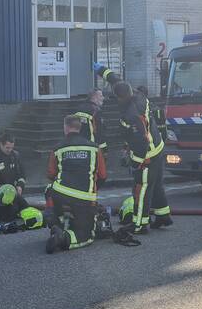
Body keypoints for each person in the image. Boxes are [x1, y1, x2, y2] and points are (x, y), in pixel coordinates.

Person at [96, 64, 173, 234]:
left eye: (116, 98)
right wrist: (102, 70)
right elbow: (116, 80)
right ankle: (163, 216)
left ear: (120, 98)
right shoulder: (137, 94)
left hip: (148, 154)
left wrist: (136, 162)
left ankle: (139, 224)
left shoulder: (132, 114)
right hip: (158, 147)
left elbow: (140, 140)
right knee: (156, 184)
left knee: (142, 188)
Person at [44, 114, 108, 253]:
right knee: (87, 235)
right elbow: (103, 175)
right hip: (84, 199)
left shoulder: (57, 148)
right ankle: (63, 238)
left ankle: (56, 223)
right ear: (79, 127)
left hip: (60, 194)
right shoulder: (94, 148)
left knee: (49, 190)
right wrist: (93, 189)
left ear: (65, 127)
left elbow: (50, 174)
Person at [0, 132, 29, 222]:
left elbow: (22, 174)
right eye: (7, 147)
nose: (10, 150)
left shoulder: (15, 156)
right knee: (7, 217)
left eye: (11, 147)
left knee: (26, 208)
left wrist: (20, 186)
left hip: (12, 193)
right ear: (1, 145)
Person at [75, 88, 107, 153]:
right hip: (93, 147)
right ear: (94, 97)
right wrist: (104, 150)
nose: (103, 98)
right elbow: (99, 131)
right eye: (101, 96)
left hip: (79, 146)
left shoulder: (79, 109)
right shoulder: (96, 111)